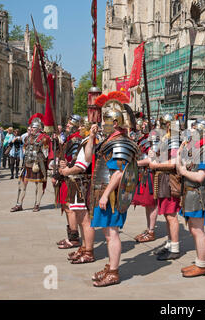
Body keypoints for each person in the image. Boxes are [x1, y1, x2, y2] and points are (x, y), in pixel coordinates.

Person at [84, 105, 138, 287]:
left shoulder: (120, 142)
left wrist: (105, 195)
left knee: (112, 233)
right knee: (107, 233)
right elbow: (88, 156)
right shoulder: (107, 141)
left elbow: (118, 173)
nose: (101, 124)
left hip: (112, 195)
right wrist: (91, 137)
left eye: (105, 120)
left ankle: (114, 272)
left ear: (115, 123)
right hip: (102, 190)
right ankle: (111, 266)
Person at [176, 119, 205, 277]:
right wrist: (182, 147)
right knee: (193, 229)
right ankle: (199, 261)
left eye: (194, 131)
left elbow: (200, 176)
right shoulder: (196, 148)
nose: (191, 133)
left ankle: (201, 265)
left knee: (198, 230)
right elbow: (180, 160)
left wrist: (184, 172)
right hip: (189, 193)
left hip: (198, 194)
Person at [149, 114, 182, 261]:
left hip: (170, 179)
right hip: (162, 178)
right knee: (166, 215)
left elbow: (174, 162)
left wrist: (156, 165)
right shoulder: (165, 138)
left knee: (171, 215)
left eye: (163, 124)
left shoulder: (174, 138)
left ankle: (174, 248)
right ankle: (169, 244)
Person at [55, 115, 85, 250]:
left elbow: (75, 159)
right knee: (67, 207)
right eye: (67, 123)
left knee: (70, 207)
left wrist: (66, 165)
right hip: (66, 176)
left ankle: (74, 239)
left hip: (73, 177)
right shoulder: (69, 138)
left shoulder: (77, 139)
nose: (67, 125)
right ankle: (72, 235)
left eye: (70, 124)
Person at [10, 115, 52, 213]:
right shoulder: (28, 138)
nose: (31, 129)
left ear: (38, 129)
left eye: (33, 128)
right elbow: (24, 148)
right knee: (21, 184)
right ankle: (19, 204)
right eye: (31, 127)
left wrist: (40, 158)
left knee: (39, 185)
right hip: (27, 164)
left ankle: (37, 204)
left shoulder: (44, 138)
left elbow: (46, 153)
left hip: (37, 164)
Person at [132, 120, 158, 243]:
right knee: (147, 204)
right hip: (143, 173)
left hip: (151, 174)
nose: (142, 126)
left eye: (144, 124)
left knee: (152, 203)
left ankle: (151, 231)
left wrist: (134, 164)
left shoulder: (154, 139)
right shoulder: (143, 138)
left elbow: (150, 160)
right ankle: (149, 229)